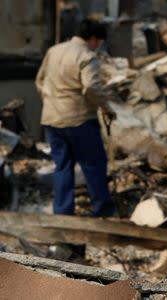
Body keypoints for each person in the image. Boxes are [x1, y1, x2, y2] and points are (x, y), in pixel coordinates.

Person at [35, 19, 119, 217]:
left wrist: (51, 101)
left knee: (62, 166)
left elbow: (39, 81)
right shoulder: (86, 56)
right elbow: (91, 87)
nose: (98, 46)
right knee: (94, 164)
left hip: (51, 120)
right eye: (98, 42)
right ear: (91, 38)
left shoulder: (53, 51)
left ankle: (62, 213)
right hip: (79, 120)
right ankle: (102, 210)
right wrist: (105, 107)